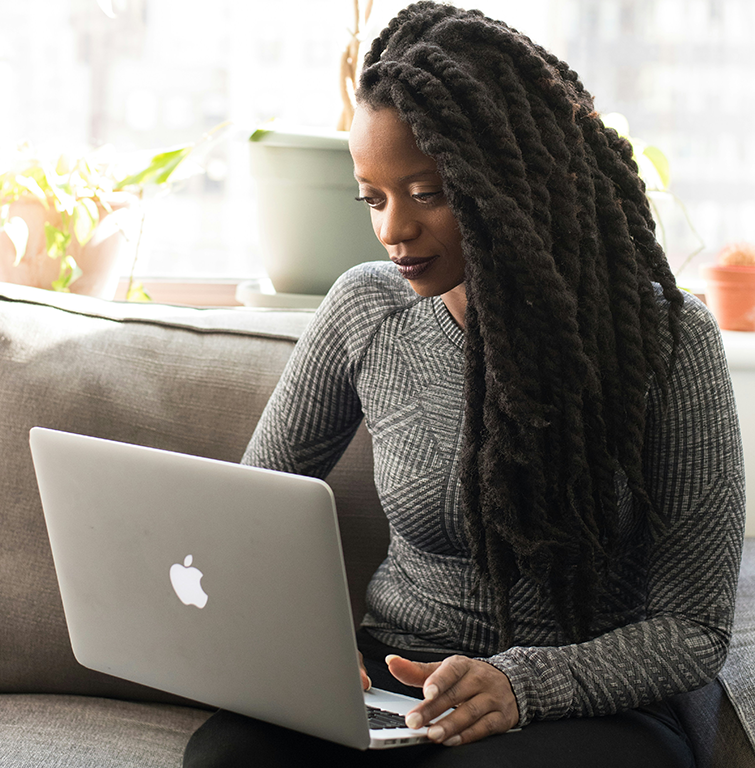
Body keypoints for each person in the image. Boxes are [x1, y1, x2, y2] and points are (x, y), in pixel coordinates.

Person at [183, 2, 745, 765]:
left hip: (581, 701)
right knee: (228, 756)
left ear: (510, 180)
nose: (392, 231)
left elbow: (693, 631)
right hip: (396, 675)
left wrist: (522, 686)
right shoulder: (364, 309)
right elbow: (243, 517)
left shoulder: (670, 341)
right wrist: (299, 652)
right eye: (372, 198)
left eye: (426, 193)